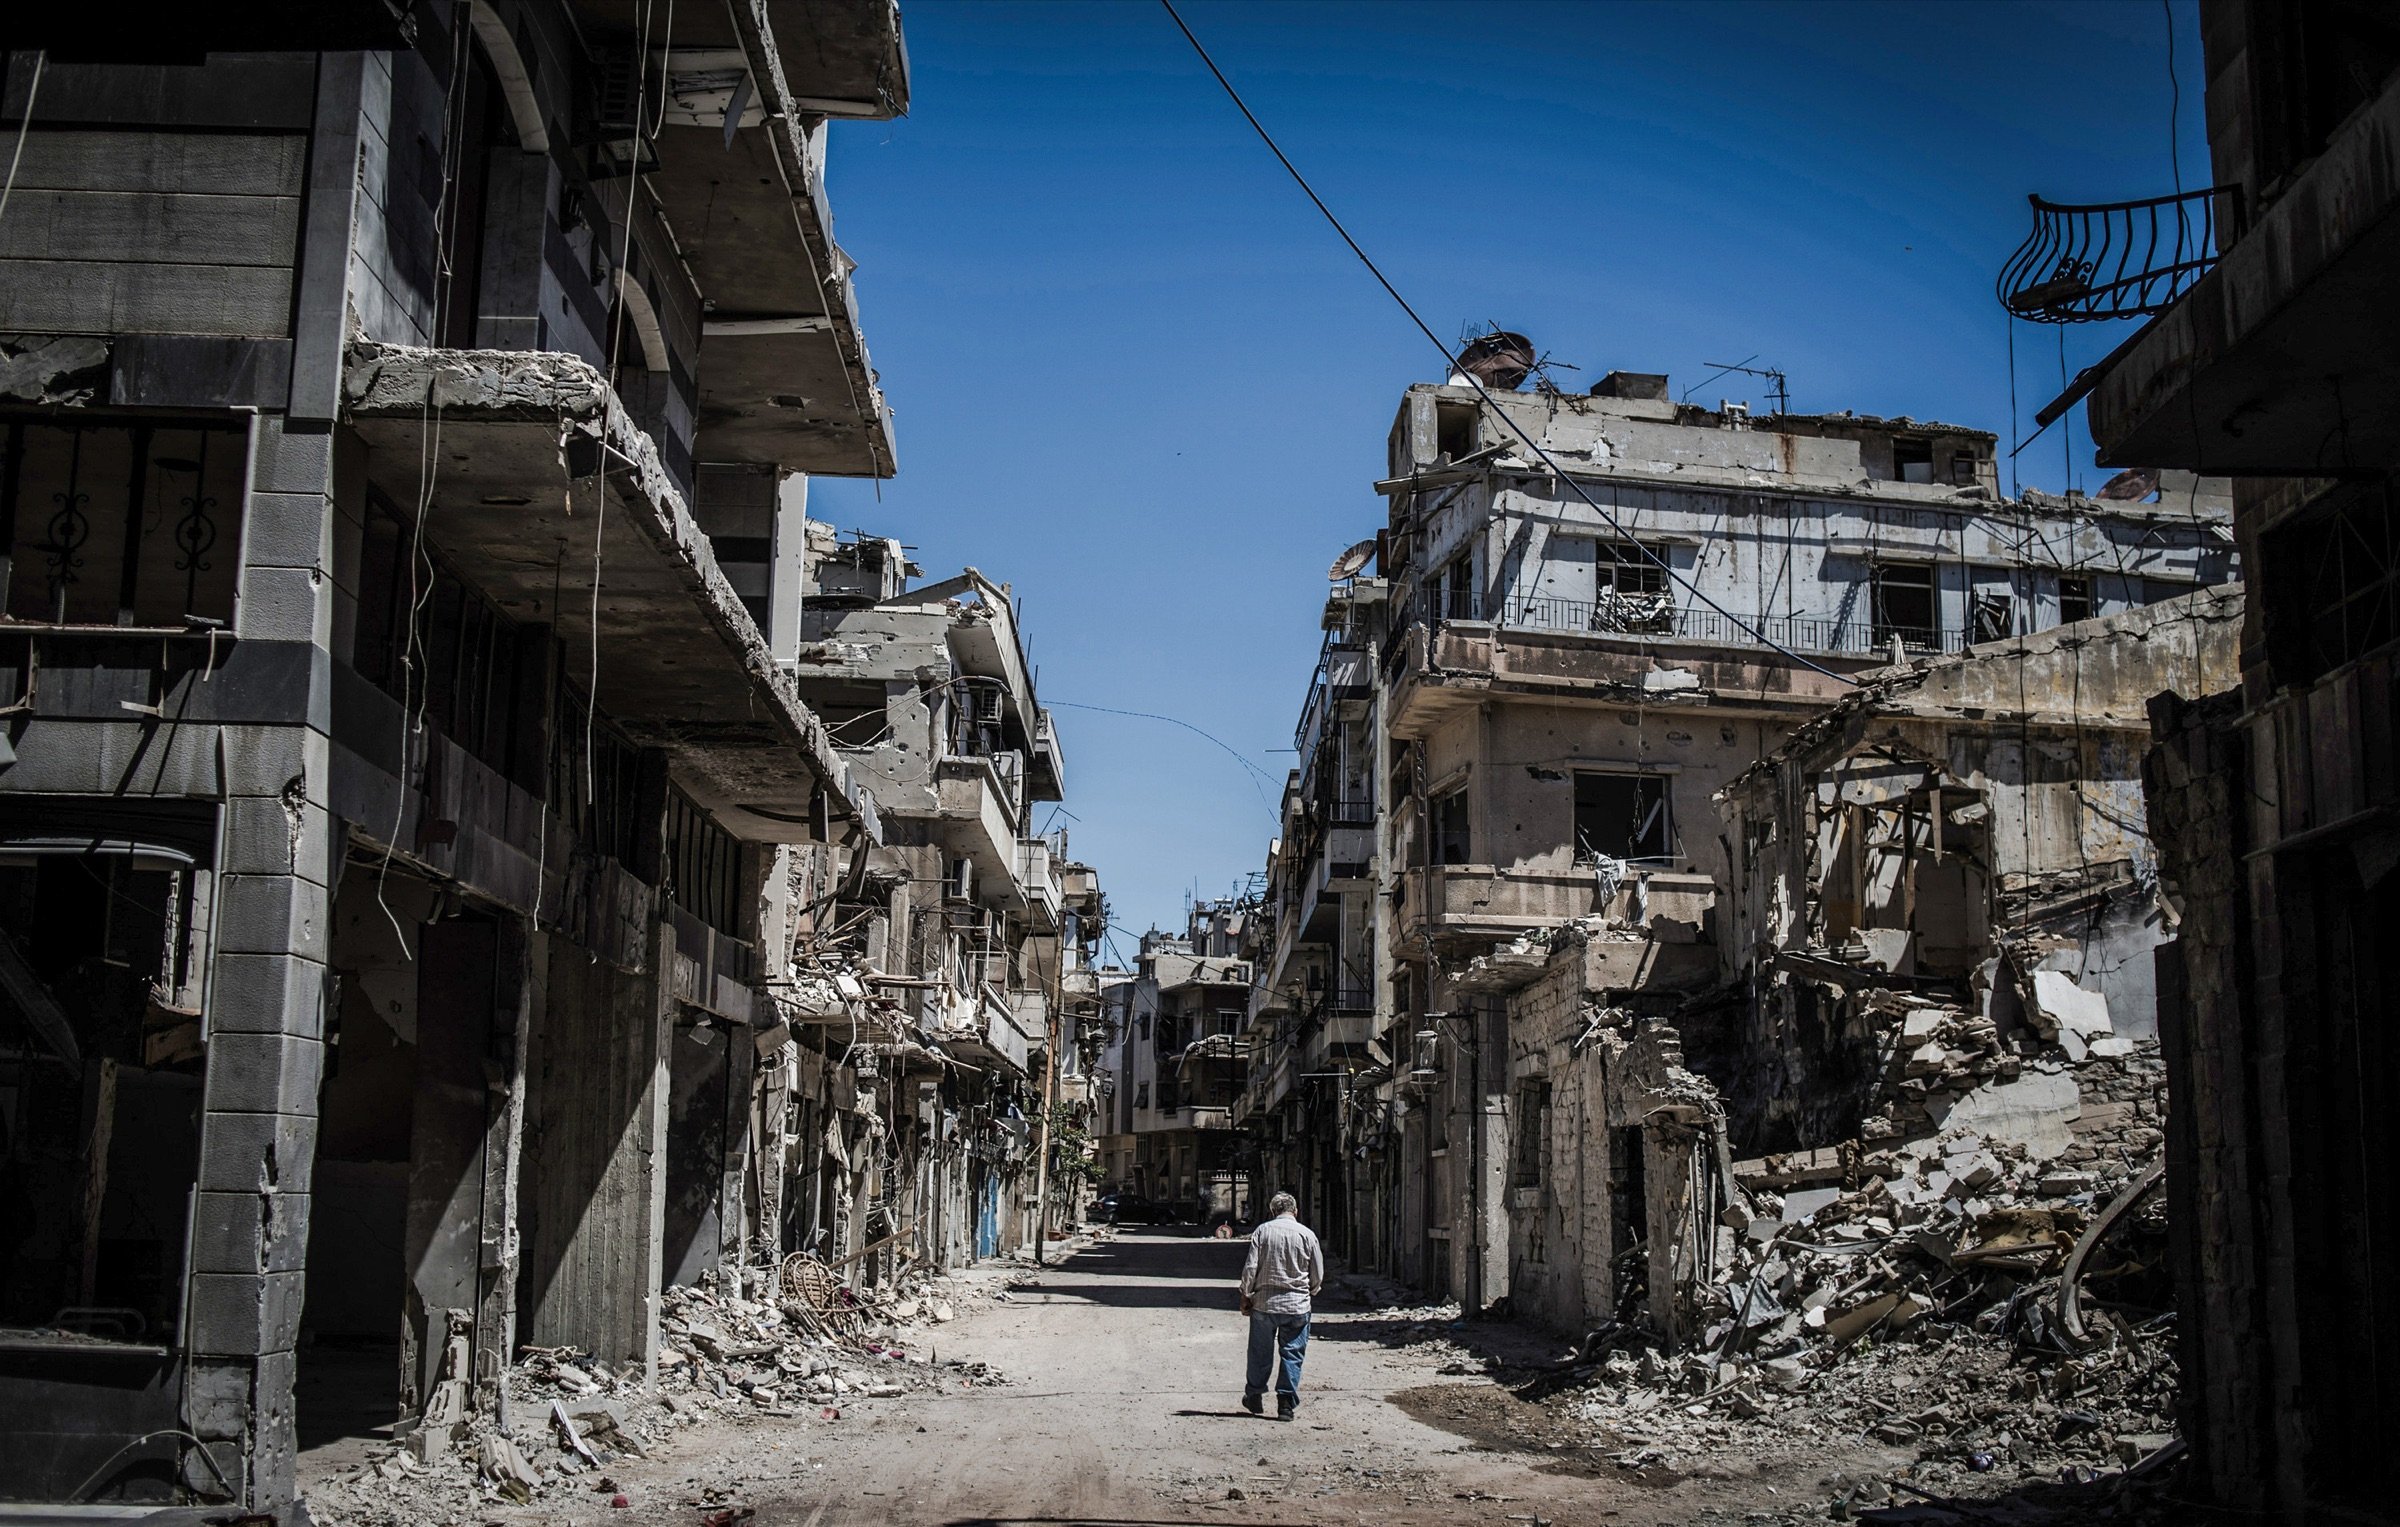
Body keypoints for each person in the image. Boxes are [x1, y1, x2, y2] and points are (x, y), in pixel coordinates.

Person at [1238, 1191, 1323, 1421]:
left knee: (1259, 1352)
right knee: (1292, 1353)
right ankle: (1285, 1403)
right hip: (1297, 1306)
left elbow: (1250, 1267)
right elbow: (1317, 1273)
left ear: (1272, 1211)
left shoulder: (1263, 1231)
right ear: (1295, 1211)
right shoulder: (1308, 1235)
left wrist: (1245, 1294)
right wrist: (1310, 1291)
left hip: (1264, 1304)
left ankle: (1254, 1396)